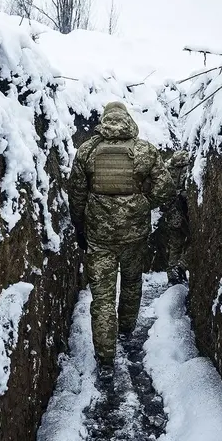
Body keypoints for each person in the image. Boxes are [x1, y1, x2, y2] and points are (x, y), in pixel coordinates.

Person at [68, 101, 174, 369]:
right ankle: (126, 331)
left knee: (102, 297)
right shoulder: (144, 150)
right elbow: (165, 187)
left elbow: (77, 195)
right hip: (134, 235)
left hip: (99, 237)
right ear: (128, 120)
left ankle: (105, 357)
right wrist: (143, 203)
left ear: (105, 120)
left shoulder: (87, 150)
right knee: (131, 282)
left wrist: (81, 227)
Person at [163, 150, 191, 285]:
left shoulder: (167, 168)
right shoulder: (189, 168)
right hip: (184, 212)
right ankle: (181, 266)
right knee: (194, 240)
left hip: (171, 212)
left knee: (174, 245)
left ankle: (172, 276)